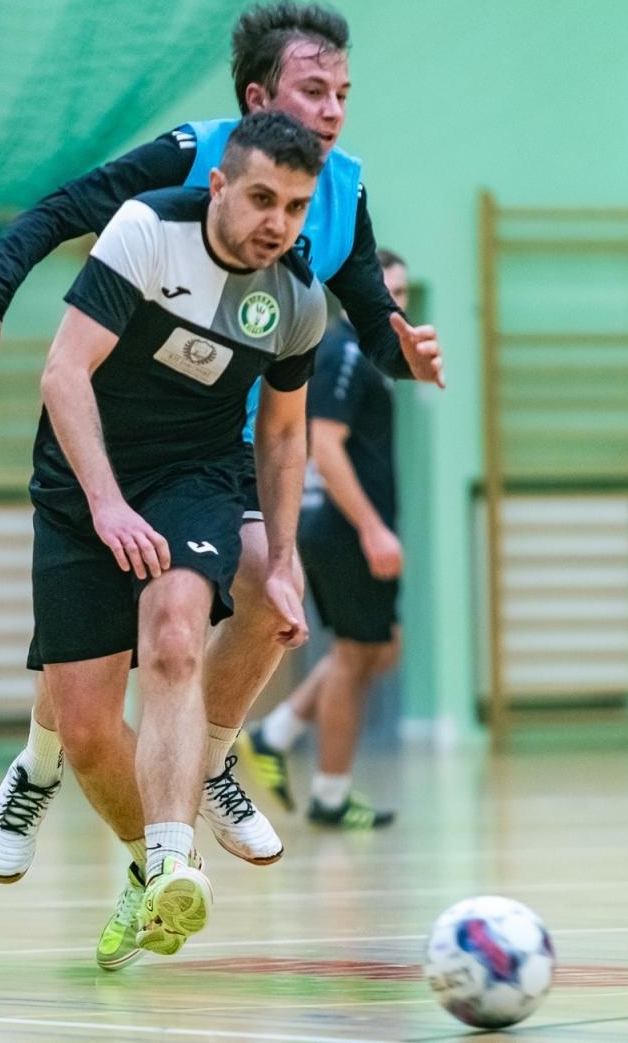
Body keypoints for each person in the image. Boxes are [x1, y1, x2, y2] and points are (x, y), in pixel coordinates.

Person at [0, 0, 443, 887]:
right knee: (92, 652)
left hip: (232, 436)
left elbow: (366, 311)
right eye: (313, 90)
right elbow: (63, 208)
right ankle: (45, 761)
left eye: (344, 94)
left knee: (263, 594)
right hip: (121, 424)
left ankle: (206, 759)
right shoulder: (187, 164)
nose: (332, 110)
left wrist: (402, 350)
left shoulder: (343, 188)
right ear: (259, 99)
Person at [31, 112, 324, 968]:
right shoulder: (149, 230)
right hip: (82, 478)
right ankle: (143, 860)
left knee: (172, 635)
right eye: (263, 197)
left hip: (193, 476)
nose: (278, 221)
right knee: (86, 729)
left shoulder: (297, 297)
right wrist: (106, 504)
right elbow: (61, 372)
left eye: (297, 207)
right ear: (221, 186)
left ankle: (170, 859)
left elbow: (281, 436)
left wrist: (286, 555)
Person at [238, 249, 408, 830]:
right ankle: (330, 795)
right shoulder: (343, 353)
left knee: (377, 649)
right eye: (390, 292)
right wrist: (373, 529)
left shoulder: (366, 357)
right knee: (359, 654)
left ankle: (276, 732)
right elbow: (326, 446)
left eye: (406, 295)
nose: (399, 305)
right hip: (341, 529)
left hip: (345, 528)